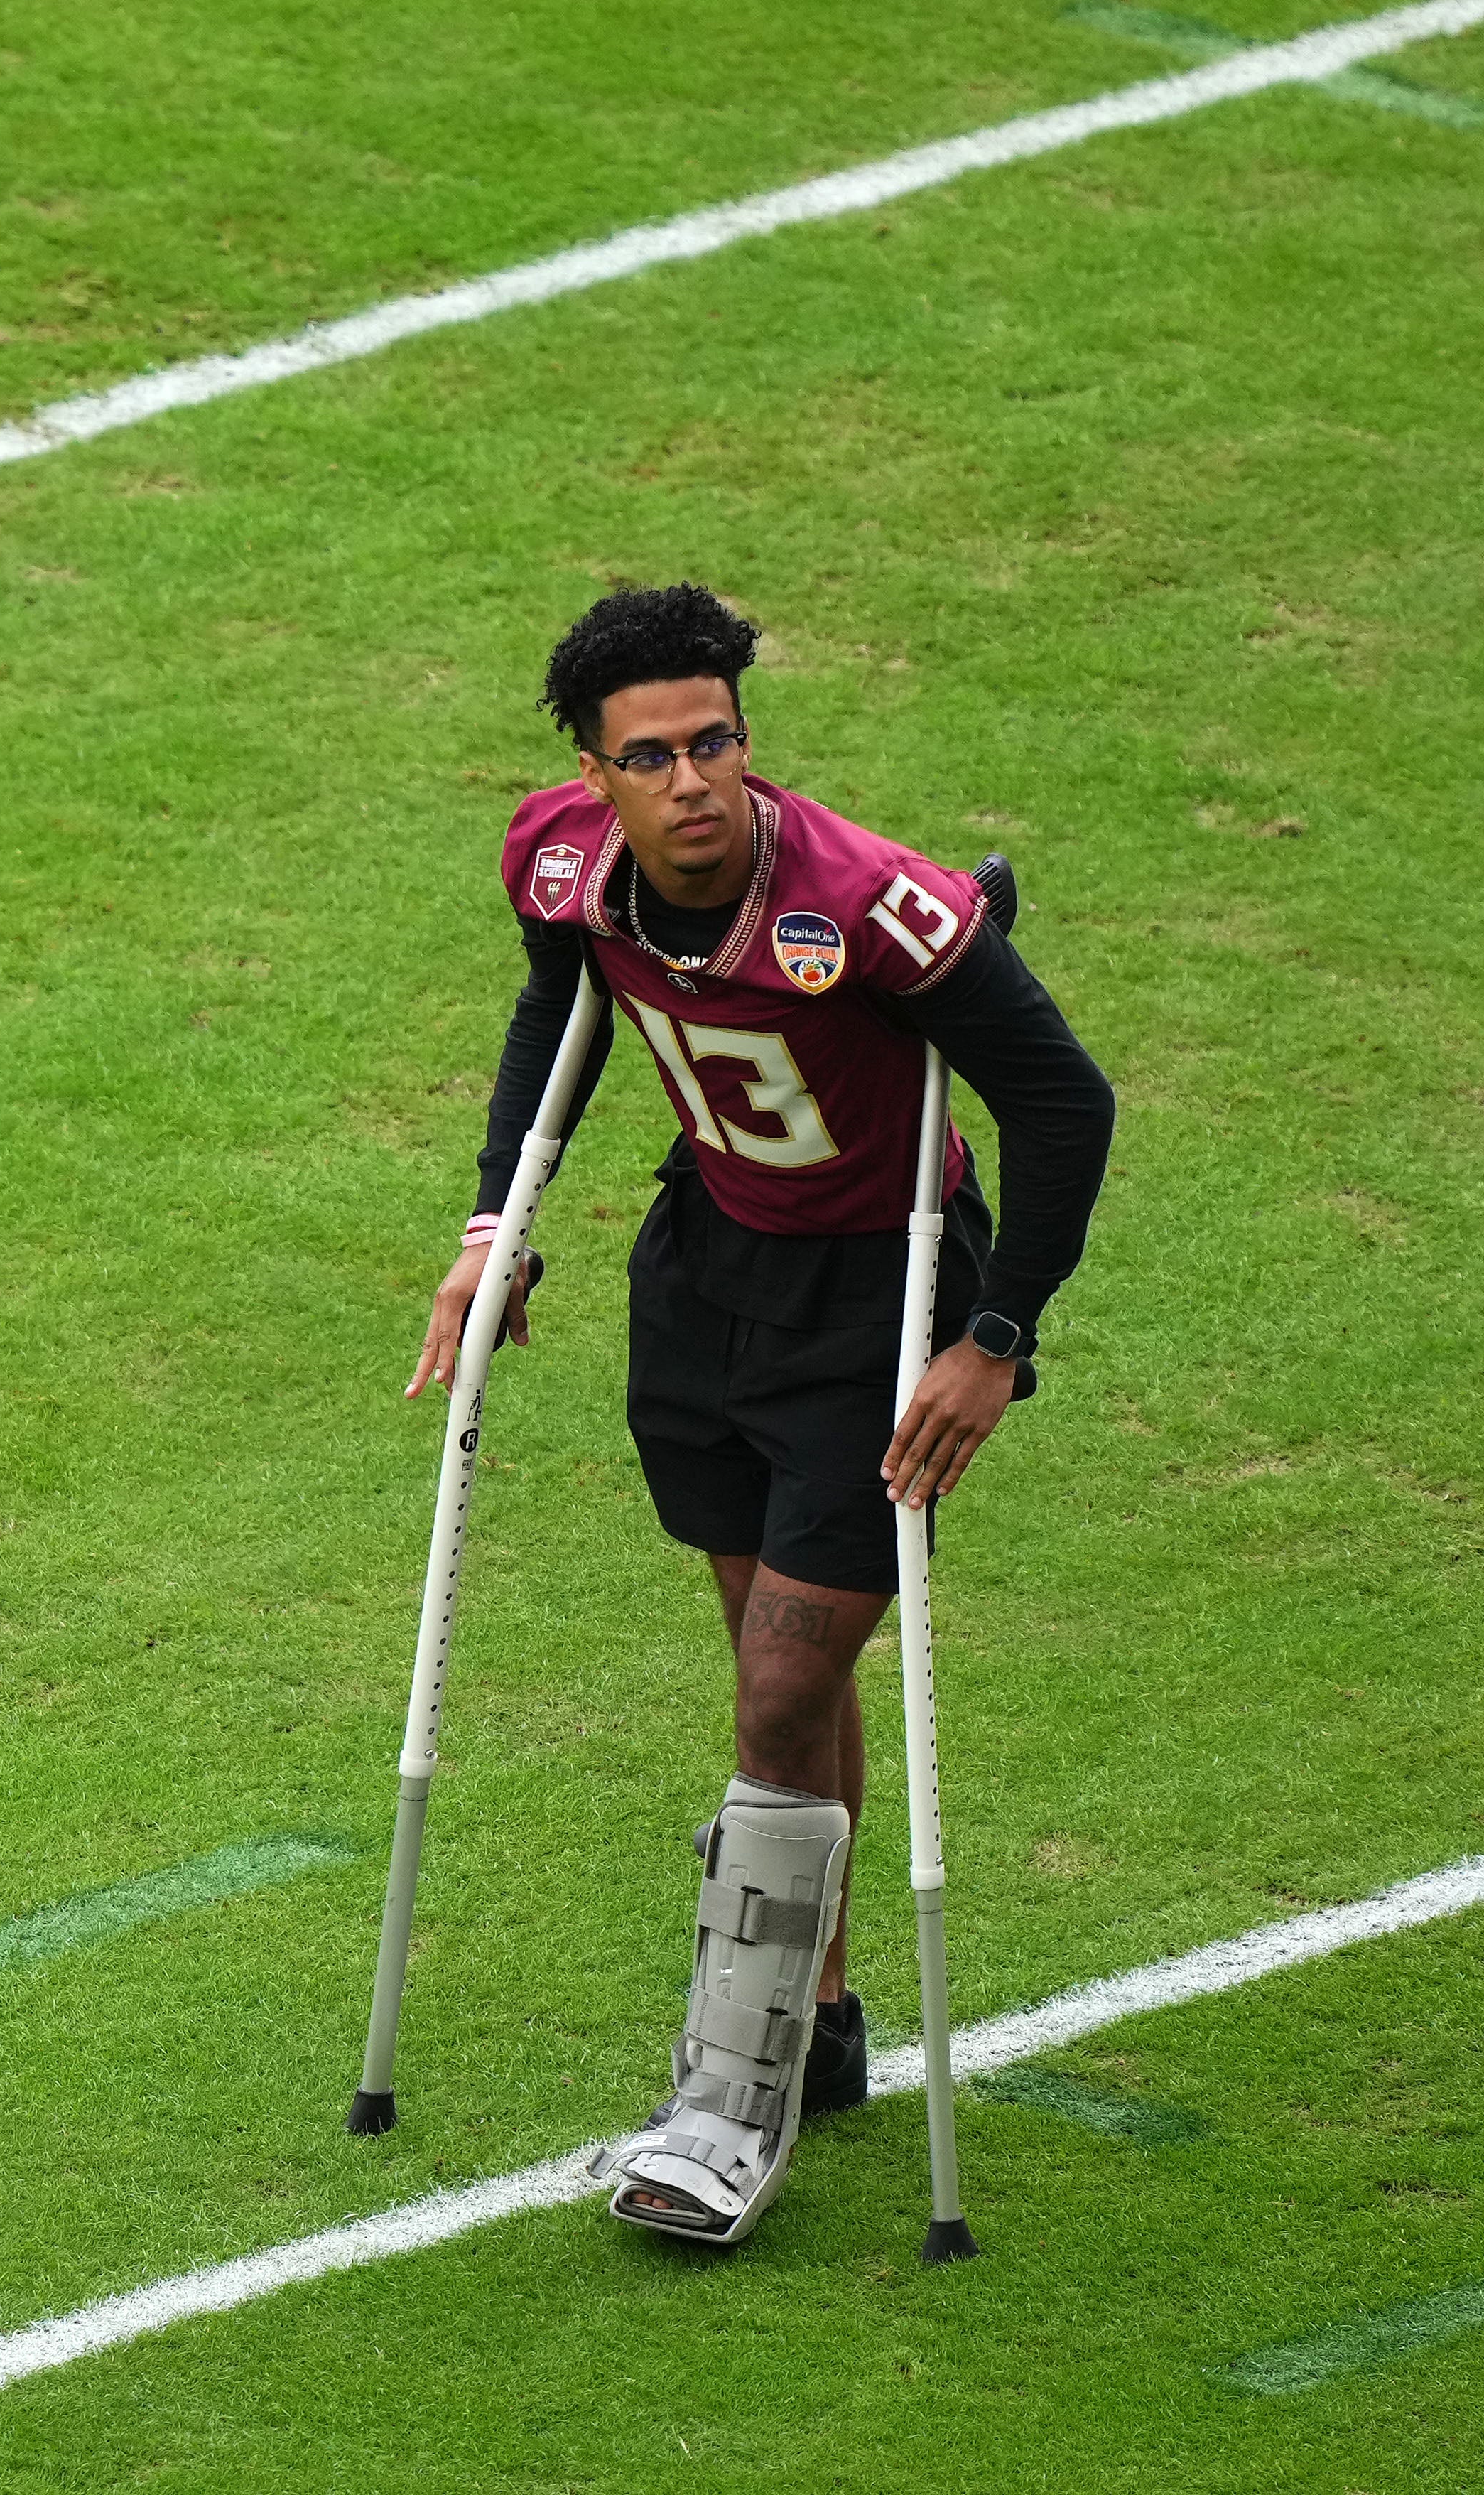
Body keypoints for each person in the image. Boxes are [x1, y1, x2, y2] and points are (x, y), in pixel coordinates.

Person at [407, 582, 1114, 2243]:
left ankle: (729, 2102)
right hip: (704, 1274)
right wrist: (496, 1224)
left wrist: (993, 1340)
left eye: (712, 741)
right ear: (594, 774)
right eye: (648, 756)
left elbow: (1062, 1100)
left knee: (784, 1685)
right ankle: (824, 2014)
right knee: (770, 1675)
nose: (690, 782)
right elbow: (556, 1004)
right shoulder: (558, 865)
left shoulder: (868, 908)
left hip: (880, 1301)